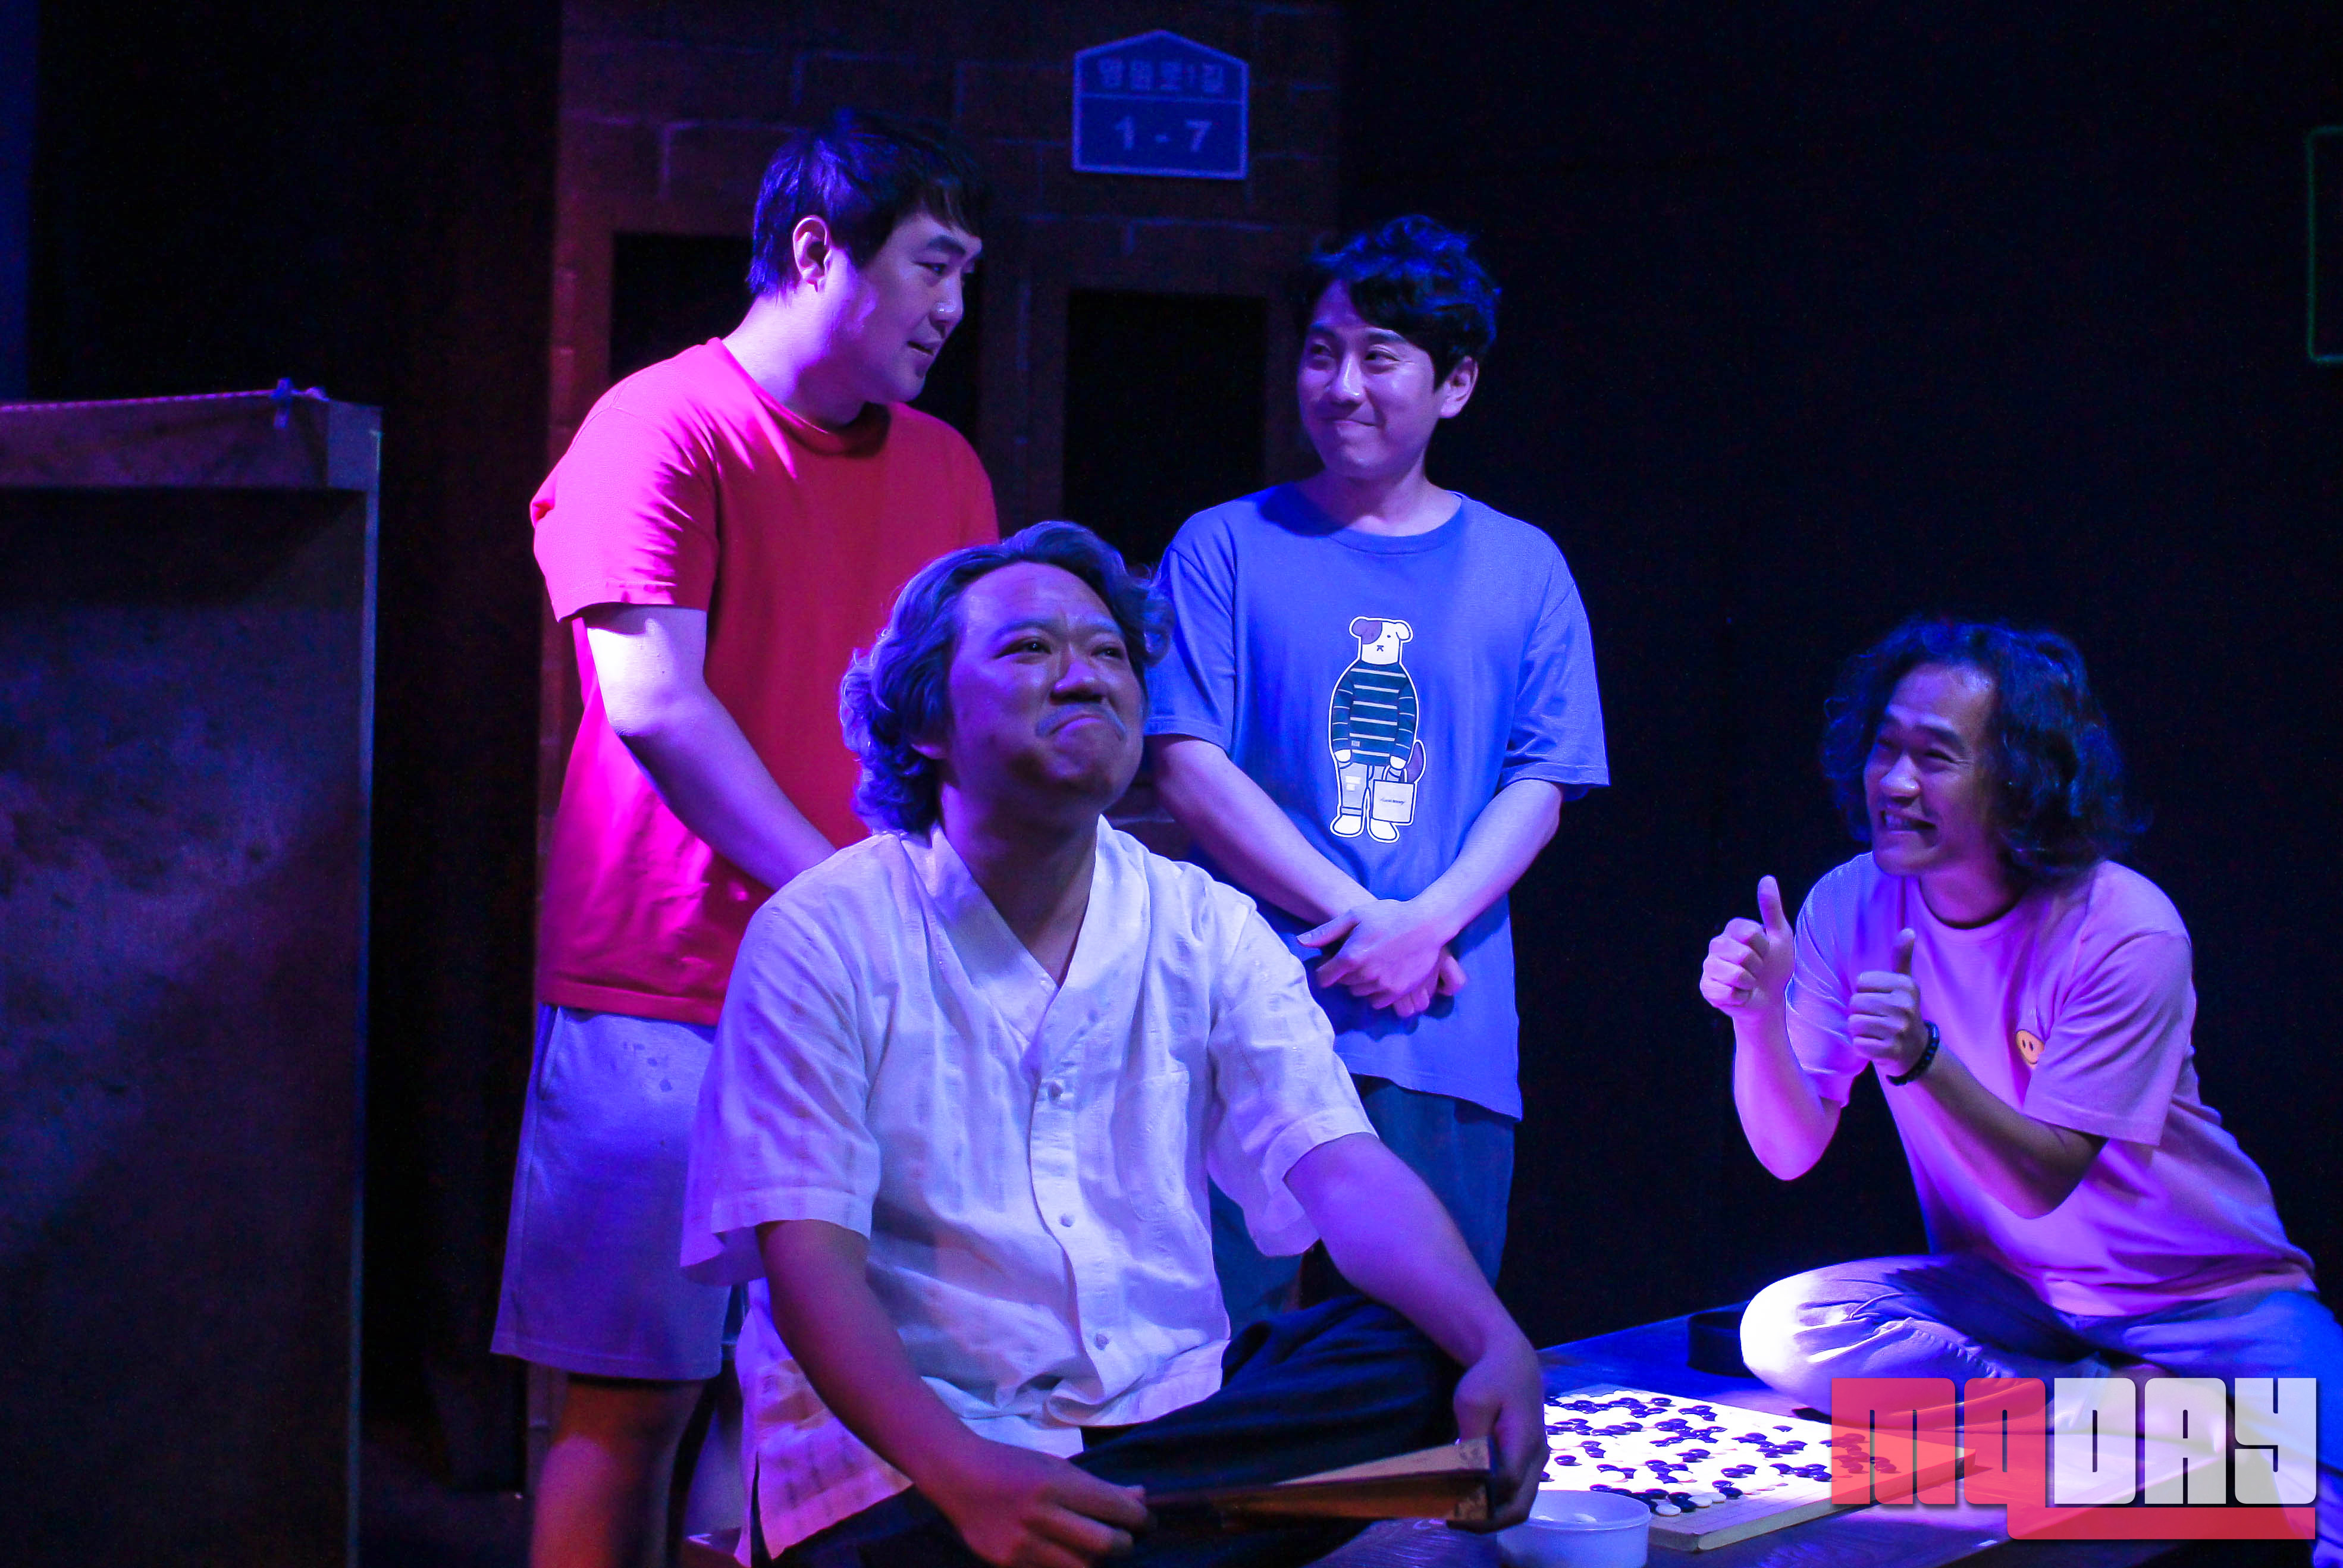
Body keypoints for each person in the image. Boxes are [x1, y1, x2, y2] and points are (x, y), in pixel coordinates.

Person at [682, 523, 1549, 1567]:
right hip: (917, 1466)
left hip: (1166, 1429)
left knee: (1421, 1347)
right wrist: (969, 1478)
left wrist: (1498, 1340)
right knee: (918, 1538)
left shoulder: (1206, 924)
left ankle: (1123, 1534)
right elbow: (811, 1269)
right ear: (924, 719)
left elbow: (1339, 1166)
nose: (1084, 675)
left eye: (1108, 653)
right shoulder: (821, 935)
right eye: (1029, 649)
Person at [493, 110, 996, 1568]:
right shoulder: (659, 424)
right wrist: (847, 897)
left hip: (866, 1000)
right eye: (932, 266)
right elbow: (653, 700)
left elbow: (953, 722)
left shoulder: (948, 471)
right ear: (817, 251)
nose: (952, 308)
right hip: (665, 987)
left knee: (822, 1418)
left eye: (966, 275)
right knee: (632, 1401)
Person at [1699, 617, 2340, 1564]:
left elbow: (2044, 1181)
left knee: (2328, 1482)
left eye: (1935, 758)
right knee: (1787, 1330)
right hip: (2015, 1296)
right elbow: (1790, 1152)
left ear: (2018, 781)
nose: (1895, 782)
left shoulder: (2125, 929)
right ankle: (2116, 1409)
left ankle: (2155, 1419)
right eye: (1885, 749)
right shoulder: (1849, 902)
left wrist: (1923, 1059)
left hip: (2206, 1302)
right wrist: (1755, 1023)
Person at [1146, 216, 1608, 1324]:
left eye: (1378, 357)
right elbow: (1185, 761)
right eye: (1321, 353)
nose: (1342, 386)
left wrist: (1425, 927)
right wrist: (1363, 921)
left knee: (1419, 1352)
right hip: (1243, 1017)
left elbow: (1541, 780)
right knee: (1213, 1350)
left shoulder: (1523, 565)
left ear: (1456, 384)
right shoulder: (1223, 546)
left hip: (1439, 1023)